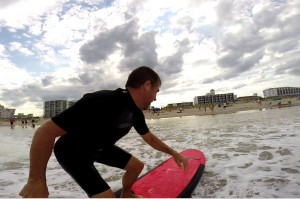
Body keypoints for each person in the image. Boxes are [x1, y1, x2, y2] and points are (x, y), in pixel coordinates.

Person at [19, 66, 188, 198]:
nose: (155, 98)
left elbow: (149, 137)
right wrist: (36, 180)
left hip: (99, 148)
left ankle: (127, 194)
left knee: (137, 166)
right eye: (156, 91)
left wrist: (174, 153)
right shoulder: (102, 100)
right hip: (73, 152)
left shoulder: (135, 112)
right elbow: (44, 132)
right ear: (147, 85)